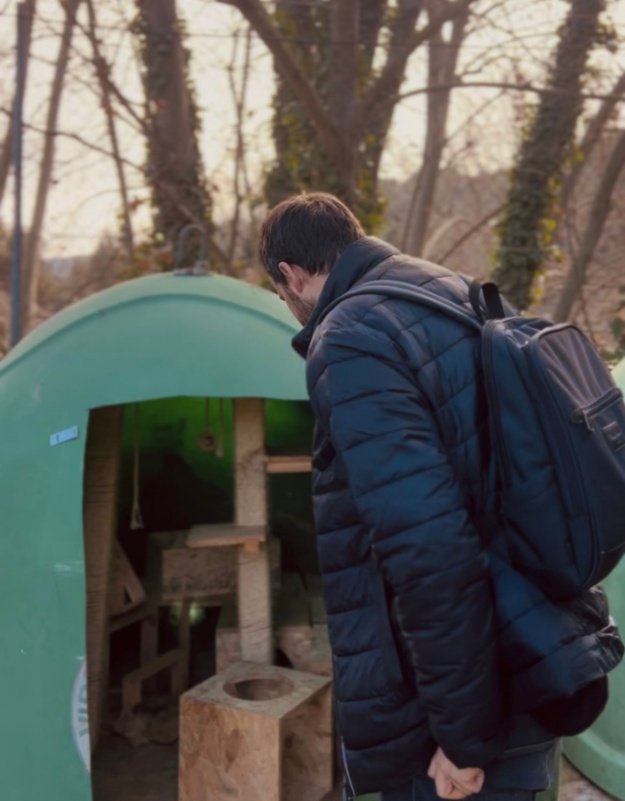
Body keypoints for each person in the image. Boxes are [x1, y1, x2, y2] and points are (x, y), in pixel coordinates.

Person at [258, 192, 622, 801]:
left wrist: (463, 738)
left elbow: (428, 551)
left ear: (290, 276)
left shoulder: (349, 340)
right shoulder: (447, 292)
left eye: (279, 294)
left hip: (456, 724)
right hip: (532, 646)